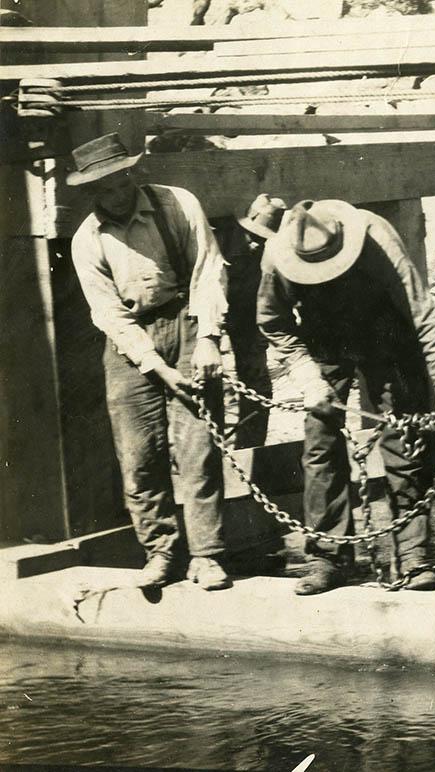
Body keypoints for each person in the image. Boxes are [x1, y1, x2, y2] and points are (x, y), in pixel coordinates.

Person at [257, 199, 435, 595]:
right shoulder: (278, 256)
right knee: (320, 445)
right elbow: (273, 321)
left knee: (405, 441)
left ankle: (413, 557)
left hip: (386, 333)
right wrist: (308, 377)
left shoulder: (376, 237)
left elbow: (424, 316)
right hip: (323, 336)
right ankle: (326, 557)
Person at [68, 132, 231, 590]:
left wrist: (208, 340)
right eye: (102, 188)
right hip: (130, 338)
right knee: (139, 454)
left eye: (119, 182)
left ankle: (207, 556)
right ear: (89, 191)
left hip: (186, 320)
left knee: (197, 448)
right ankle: (160, 551)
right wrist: (155, 366)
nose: (114, 195)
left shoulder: (178, 204)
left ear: (131, 174)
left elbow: (208, 272)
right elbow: (109, 314)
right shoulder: (88, 240)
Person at [215, 193, 287, 448]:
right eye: (252, 236)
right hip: (213, 314)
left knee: (257, 383)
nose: (256, 244)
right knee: (212, 384)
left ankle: (251, 447)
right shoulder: (218, 239)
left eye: (262, 239)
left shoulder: (267, 255)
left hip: (247, 316)